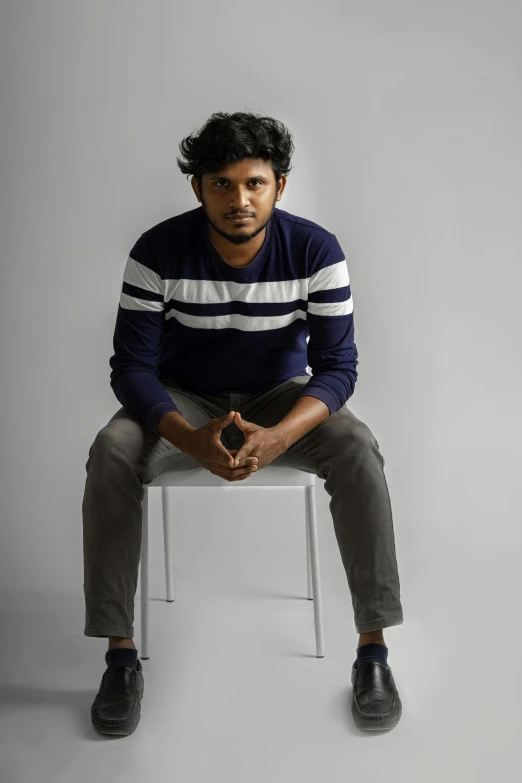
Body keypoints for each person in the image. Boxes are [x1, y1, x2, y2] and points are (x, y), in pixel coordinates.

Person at [84, 111, 404, 737]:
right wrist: (187, 436)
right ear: (198, 187)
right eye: (223, 184)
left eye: (254, 183)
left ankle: (374, 651)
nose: (239, 200)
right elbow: (132, 368)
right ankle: (120, 654)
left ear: (279, 186)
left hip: (280, 397)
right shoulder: (157, 251)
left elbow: (338, 367)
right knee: (113, 448)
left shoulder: (316, 249)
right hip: (185, 396)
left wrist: (282, 434)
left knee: (358, 445)